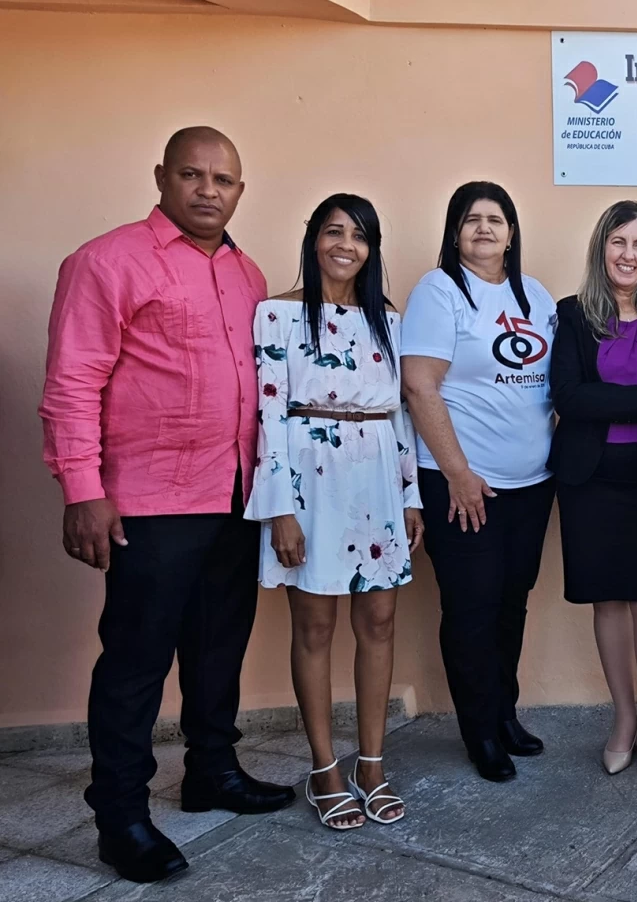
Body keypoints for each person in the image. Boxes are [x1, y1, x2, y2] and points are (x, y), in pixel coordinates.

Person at [38, 127, 295, 884]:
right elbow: (72, 382)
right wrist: (83, 490)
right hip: (150, 500)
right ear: (162, 176)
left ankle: (212, 770)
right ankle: (120, 816)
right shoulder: (106, 261)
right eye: (192, 174)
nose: (208, 189)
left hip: (234, 492)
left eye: (224, 179)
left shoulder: (246, 273)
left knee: (218, 647)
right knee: (137, 661)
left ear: (240, 190)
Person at [245, 194, 424, 830]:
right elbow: (267, 415)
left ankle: (371, 764)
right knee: (315, 626)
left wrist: (410, 495)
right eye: (333, 231)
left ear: (372, 249)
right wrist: (279, 510)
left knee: (379, 619)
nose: (346, 245)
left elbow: (401, 415)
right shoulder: (277, 313)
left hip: (376, 481)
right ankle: (324, 768)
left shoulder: (389, 321)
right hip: (309, 483)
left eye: (360, 235)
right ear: (313, 240)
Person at [402, 181, 558, 783]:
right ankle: (480, 733)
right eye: (472, 219)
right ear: (455, 232)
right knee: (472, 608)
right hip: (463, 486)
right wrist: (459, 474)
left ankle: (504, 713)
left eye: (496, 219)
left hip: (531, 485)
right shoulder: (439, 291)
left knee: (512, 603)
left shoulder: (534, 294)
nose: (485, 228)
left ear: (512, 233)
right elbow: (419, 386)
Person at [548, 200, 637, 777]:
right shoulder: (572, 314)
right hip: (589, 480)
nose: (628, 254)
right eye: (618, 242)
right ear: (600, 248)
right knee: (606, 602)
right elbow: (569, 396)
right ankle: (624, 716)